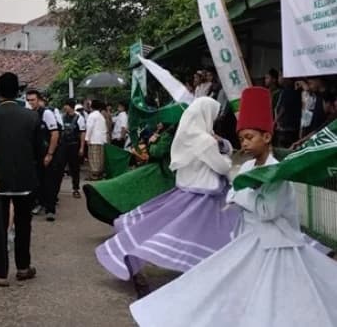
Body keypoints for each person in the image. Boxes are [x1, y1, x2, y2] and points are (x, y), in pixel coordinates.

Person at [129, 87, 337, 326]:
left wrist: (241, 197)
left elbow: (267, 211)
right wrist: (241, 195)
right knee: (232, 290)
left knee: (280, 297)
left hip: (277, 245)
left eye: (250, 137)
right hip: (249, 240)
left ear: (267, 138)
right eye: (242, 139)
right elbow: (236, 194)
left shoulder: (277, 173)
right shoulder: (248, 168)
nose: (245, 144)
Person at [95, 97, 239, 297]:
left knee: (170, 228)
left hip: (187, 191)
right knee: (192, 234)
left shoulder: (187, 134)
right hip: (205, 195)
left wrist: (220, 143)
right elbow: (223, 166)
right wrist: (224, 154)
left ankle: (137, 251)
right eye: (213, 116)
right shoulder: (204, 140)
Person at [0, 73, 43, 287]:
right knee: (24, 224)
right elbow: (38, 151)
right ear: (19, 91)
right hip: (25, 179)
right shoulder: (32, 116)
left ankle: (0, 273)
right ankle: (23, 267)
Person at [45, 99, 86, 221]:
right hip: (63, 146)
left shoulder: (79, 118)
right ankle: (55, 194)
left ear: (71, 106)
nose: (65, 108)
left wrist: (82, 147)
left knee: (75, 168)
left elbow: (82, 133)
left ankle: (76, 188)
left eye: (66, 105)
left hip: (74, 145)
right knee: (59, 170)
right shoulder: (62, 117)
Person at [24, 89, 59, 216]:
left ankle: (50, 209)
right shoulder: (28, 114)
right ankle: (39, 203)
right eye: (28, 100)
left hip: (46, 152)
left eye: (32, 100)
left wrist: (50, 154)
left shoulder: (46, 113)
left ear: (38, 100)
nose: (30, 102)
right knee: (36, 181)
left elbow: (54, 133)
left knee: (48, 181)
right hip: (33, 154)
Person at [85, 99, 108, 181]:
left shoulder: (92, 115)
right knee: (100, 158)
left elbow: (89, 127)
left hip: (93, 139)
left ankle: (94, 175)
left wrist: (87, 138)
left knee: (93, 158)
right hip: (101, 140)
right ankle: (99, 174)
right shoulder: (101, 116)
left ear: (92, 106)